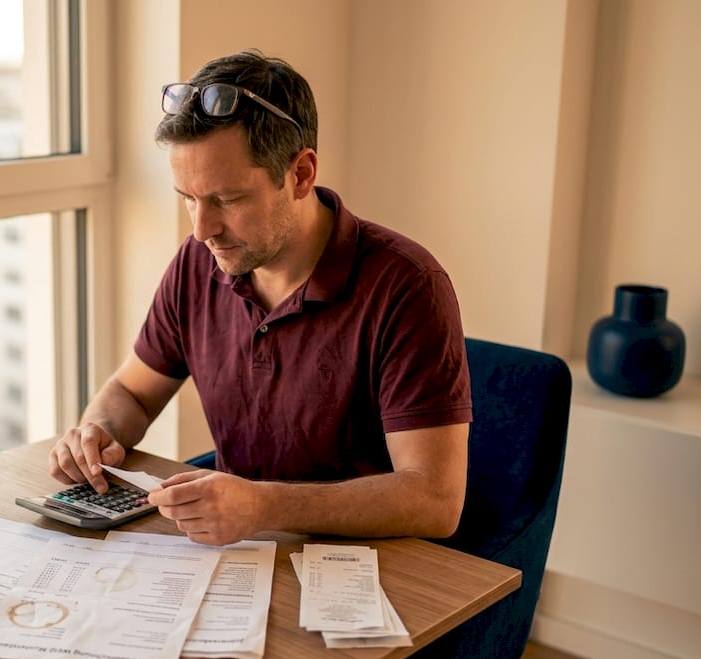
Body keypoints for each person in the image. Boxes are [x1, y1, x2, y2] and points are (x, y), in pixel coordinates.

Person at [48, 49, 472, 549]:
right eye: (188, 197)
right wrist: (96, 433)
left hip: (366, 568)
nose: (202, 229)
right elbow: (134, 393)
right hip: (239, 554)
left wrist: (264, 505)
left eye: (227, 200)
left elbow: (436, 500)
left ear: (300, 174)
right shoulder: (197, 261)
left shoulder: (407, 285)